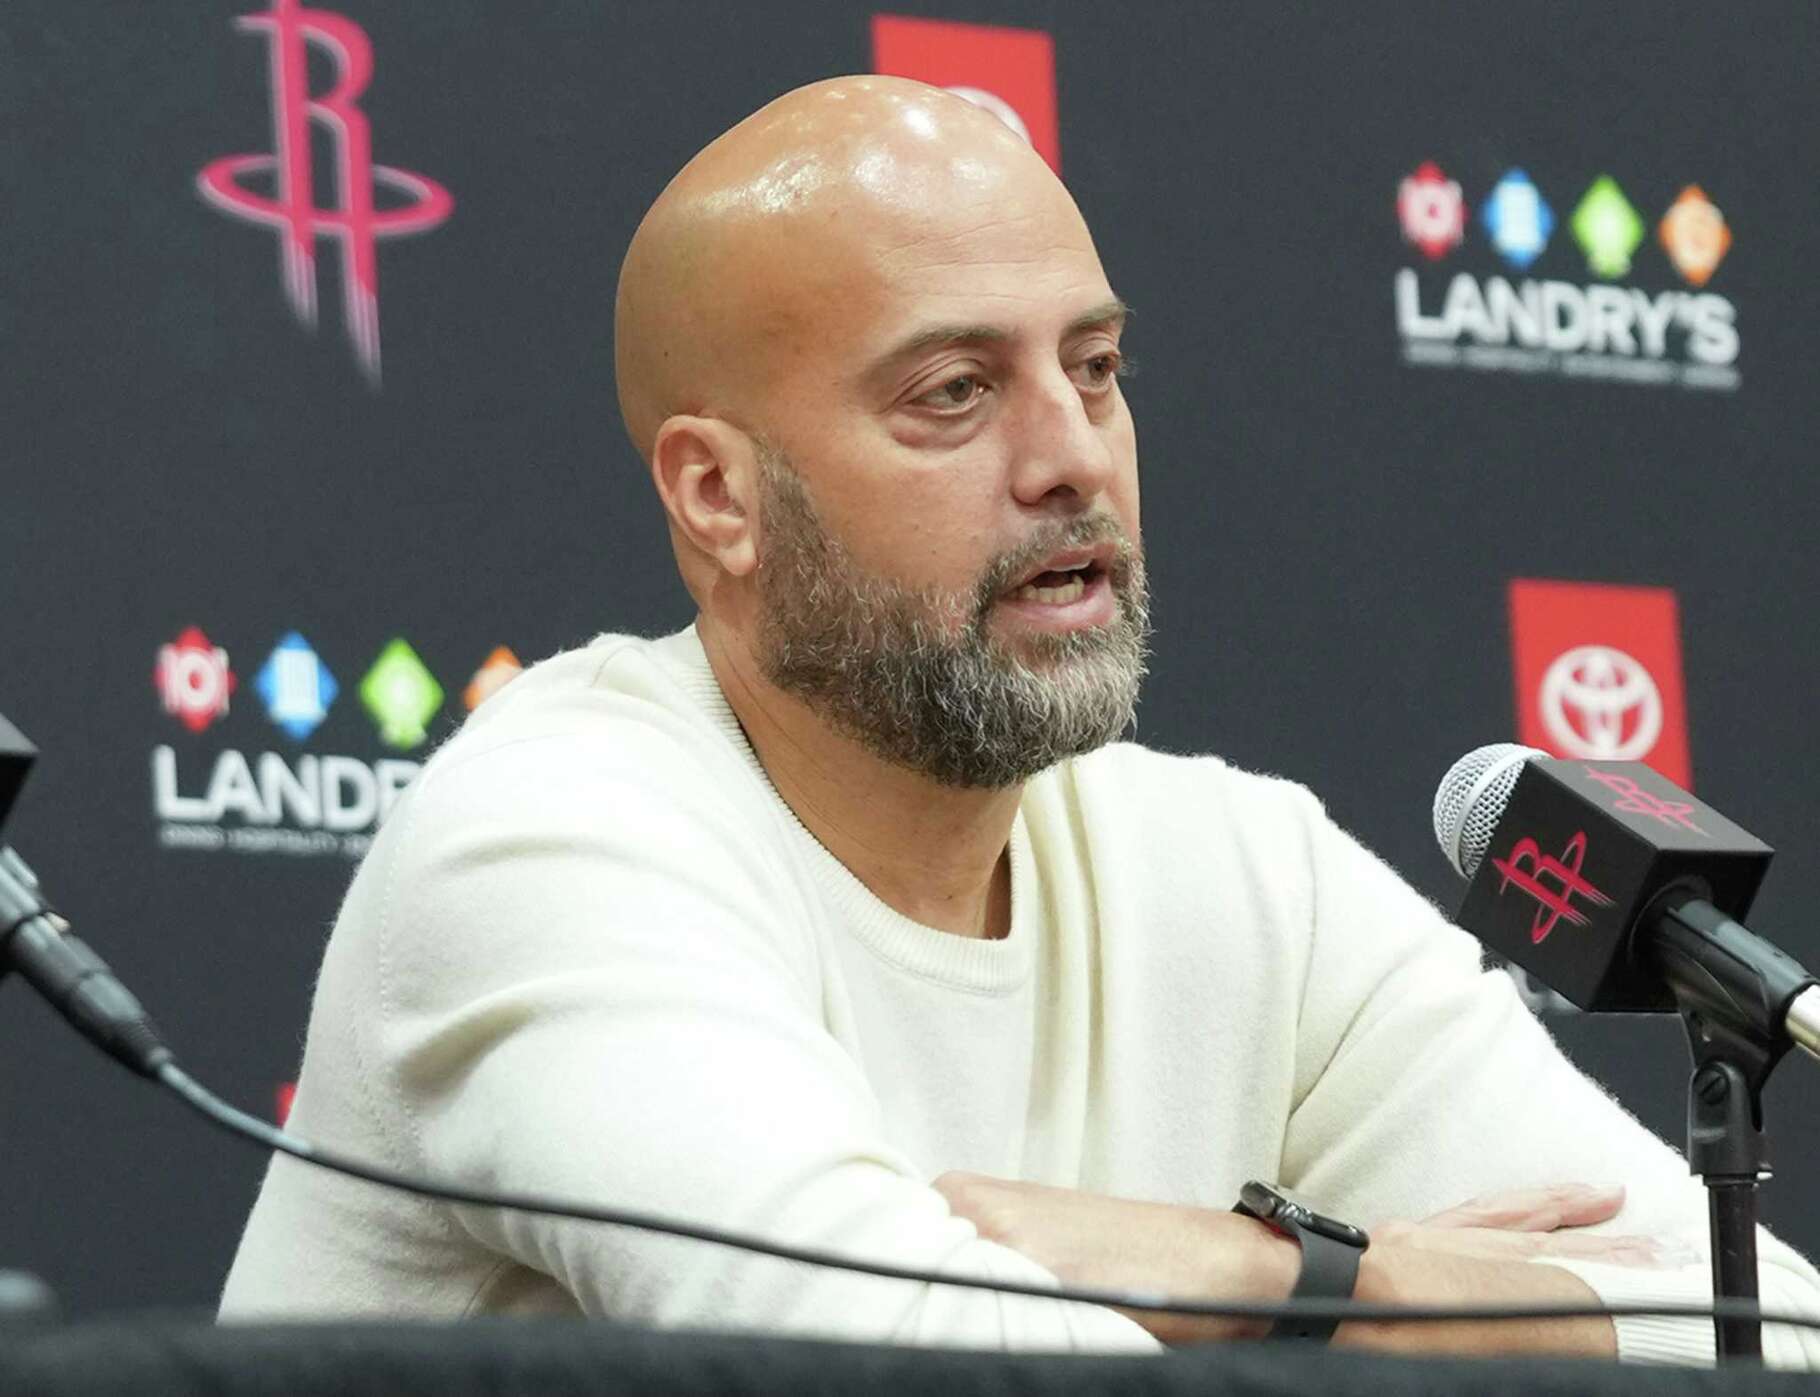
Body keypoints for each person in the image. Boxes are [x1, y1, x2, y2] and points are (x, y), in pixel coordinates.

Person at [218, 76, 1820, 1365]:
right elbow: (894, 1359)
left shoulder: (1244, 867)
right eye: (954, 395)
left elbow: (1767, 1324)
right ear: (720, 495)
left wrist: (1260, 1264)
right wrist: (1401, 1302)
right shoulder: (553, 842)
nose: (1075, 458)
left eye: (1098, 367)